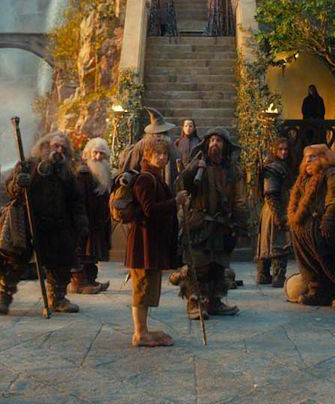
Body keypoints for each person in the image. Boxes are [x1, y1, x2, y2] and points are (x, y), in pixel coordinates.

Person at [0, 131, 87, 315]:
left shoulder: (67, 173)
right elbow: (10, 189)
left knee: (61, 262)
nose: (59, 150)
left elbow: (75, 200)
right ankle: (3, 296)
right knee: (15, 260)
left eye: (63, 148)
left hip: (57, 224)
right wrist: (18, 183)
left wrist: (81, 222)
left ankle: (58, 298)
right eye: (56, 145)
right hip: (29, 220)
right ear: (46, 145)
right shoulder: (28, 164)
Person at [178, 128, 244, 319]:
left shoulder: (233, 170)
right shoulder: (198, 165)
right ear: (207, 144)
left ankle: (214, 302)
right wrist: (192, 169)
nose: (215, 143)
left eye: (219, 141)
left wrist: (240, 222)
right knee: (198, 266)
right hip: (199, 223)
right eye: (212, 140)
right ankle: (194, 303)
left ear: (225, 146)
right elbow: (182, 185)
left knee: (218, 266)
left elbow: (239, 199)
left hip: (222, 224)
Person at [124, 137, 179, 347]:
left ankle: (143, 330)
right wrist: (175, 202)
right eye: (158, 153)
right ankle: (139, 333)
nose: (163, 157)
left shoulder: (155, 176)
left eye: (165, 154)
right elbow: (149, 210)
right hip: (143, 242)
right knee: (142, 287)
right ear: (147, 155)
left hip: (151, 242)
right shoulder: (146, 179)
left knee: (146, 287)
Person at [288, 144, 335, 307]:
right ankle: (319, 290)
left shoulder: (333, 173)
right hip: (306, 226)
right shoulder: (304, 178)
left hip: (327, 225)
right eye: (306, 157)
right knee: (306, 257)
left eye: (313, 156)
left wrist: (328, 219)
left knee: (330, 257)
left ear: (324, 158)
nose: (308, 160)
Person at [73, 136, 114, 295]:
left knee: (92, 252)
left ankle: (90, 280)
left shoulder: (103, 172)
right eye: (95, 152)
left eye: (102, 153)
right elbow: (79, 200)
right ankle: (79, 283)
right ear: (88, 153)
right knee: (83, 252)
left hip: (97, 221)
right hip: (86, 220)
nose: (98, 157)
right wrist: (82, 221)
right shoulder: (83, 173)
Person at [255, 136, 294, 287]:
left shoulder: (281, 166)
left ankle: (265, 275)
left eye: (286, 149)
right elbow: (270, 193)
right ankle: (273, 276)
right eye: (280, 149)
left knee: (268, 241)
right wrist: (279, 215)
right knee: (278, 242)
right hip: (274, 209)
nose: (284, 152)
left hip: (274, 208)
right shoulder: (273, 168)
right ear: (275, 150)